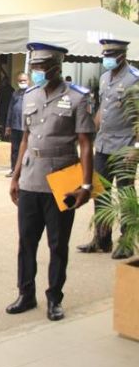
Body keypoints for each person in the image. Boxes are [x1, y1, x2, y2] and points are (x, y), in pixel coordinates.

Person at [6, 42, 94, 321]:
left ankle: (54, 297)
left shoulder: (78, 98)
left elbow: (85, 144)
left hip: (62, 180)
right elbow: (26, 140)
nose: (37, 73)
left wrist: (87, 185)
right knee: (26, 243)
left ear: (57, 68)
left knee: (58, 245)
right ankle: (26, 293)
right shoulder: (29, 96)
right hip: (31, 179)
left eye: (42, 68)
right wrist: (16, 175)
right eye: (35, 68)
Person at [77, 39, 139, 259]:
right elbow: (103, 110)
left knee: (125, 193)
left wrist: (136, 148)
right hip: (103, 144)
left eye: (110, 54)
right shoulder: (104, 78)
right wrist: (88, 136)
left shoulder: (135, 79)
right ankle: (101, 239)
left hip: (125, 147)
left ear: (122, 56)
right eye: (105, 54)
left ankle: (127, 240)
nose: (106, 58)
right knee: (99, 192)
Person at [4, 73, 30, 178]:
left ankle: (25, 171)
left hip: (26, 127)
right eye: (20, 81)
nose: (22, 83)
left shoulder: (31, 94)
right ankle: (14, 170)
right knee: (15, 150)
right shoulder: (15, 94)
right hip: (15, 126)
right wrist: (8, 125)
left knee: (26, 150)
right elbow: (10, 109)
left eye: (24, 80)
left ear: (28, 81)